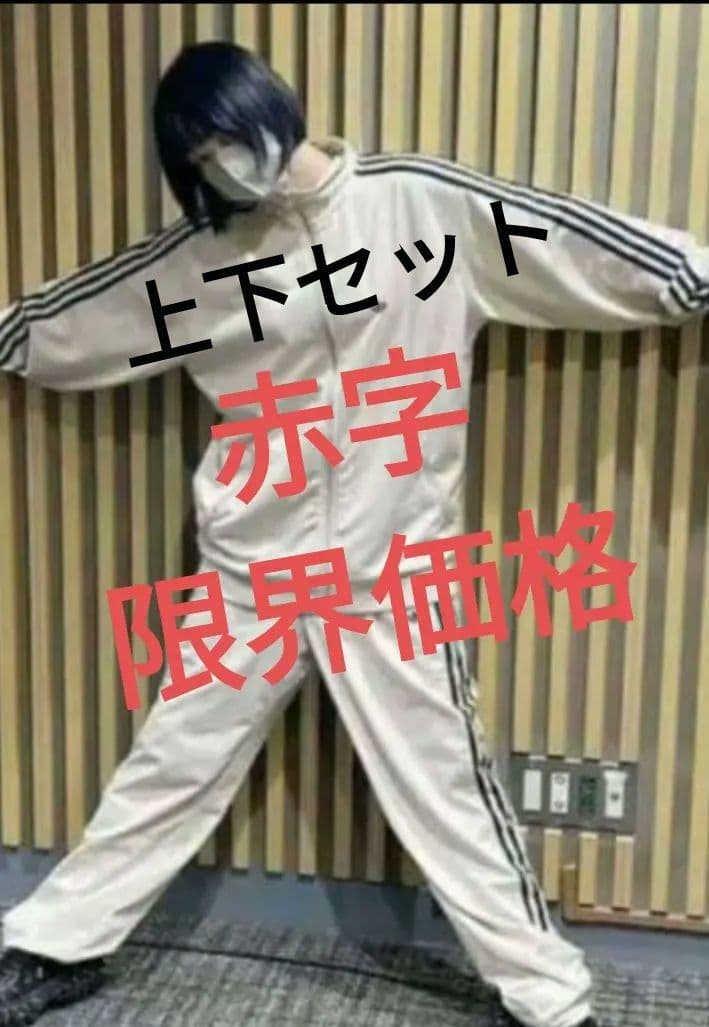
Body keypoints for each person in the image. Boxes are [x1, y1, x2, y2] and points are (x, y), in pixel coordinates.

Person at [0, 40, 706, 1027]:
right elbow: (72, 322)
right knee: (172, 760)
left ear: (268, 105)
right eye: (194, 158)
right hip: (254, 571)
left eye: (221, 139)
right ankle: (54, 943)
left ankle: (550, 999)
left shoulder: (421, 209)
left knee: (446, 788)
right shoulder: (203, 262)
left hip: (391, 568)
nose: (217, 166)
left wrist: (687, 275)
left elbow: (564, 242)